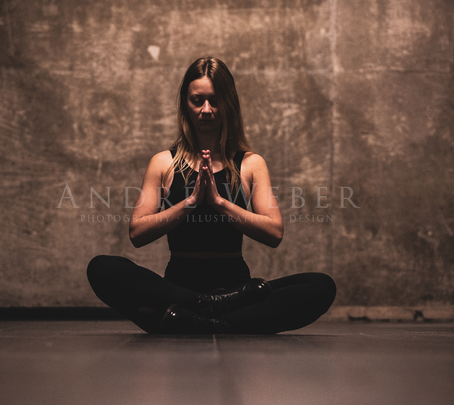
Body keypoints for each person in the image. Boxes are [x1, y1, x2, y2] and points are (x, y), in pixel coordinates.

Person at [87, 57, 336, 334]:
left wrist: (219, 203)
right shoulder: (163, 163)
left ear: (229, 104)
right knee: (101, 268)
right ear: (185, 104)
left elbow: (274, 232)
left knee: (321, 285)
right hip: (178, 290)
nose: (206, 110)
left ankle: (197, 320)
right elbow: (137, 232)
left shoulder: (251, 164)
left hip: (239, 291)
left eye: (215, 101)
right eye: (197, 100)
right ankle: (213, 312)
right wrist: (189, 204)